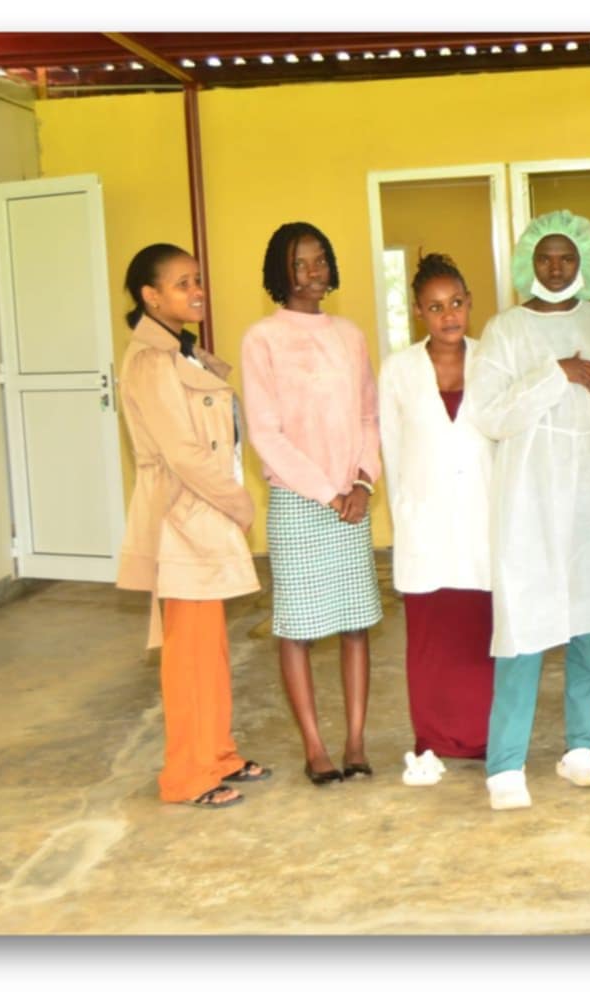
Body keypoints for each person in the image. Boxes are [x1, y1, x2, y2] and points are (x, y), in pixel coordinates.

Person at [466, 209, 590, 811]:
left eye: (567, 258)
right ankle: (505, 765)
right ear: (528, 262)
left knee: (588, 627)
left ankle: (580, 748)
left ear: (585, 263)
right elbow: (489, 413)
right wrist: (556, 374)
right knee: (524, 629)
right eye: (545, 257)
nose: (555, 268)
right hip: (530, 499)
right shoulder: (505, 330)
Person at [115, 243, 271, 809]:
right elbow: (182, 452)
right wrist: (239, 504)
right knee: (188, 658)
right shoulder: (152, 361)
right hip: (183, 517)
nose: (196, 290)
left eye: (197, 279)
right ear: (150, 296)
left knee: (211, 651)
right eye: (182, 283)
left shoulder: (183, 351)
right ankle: (186, 776)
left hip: (204, 514)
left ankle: (217, 755)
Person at [242, 222, 383, 786]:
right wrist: (330, 492)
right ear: (280, 272)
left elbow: (369, 416)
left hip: (352, 501)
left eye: (320, 259)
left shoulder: (349, 335)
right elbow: (265, 433)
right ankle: (315, 747)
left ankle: (355, 741)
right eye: (299, 263)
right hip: (301, 502)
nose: (312, 272)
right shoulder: (262, 339)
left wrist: (364, 483)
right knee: (298, 629)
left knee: (356, 626)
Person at [377, 253, 495, 767]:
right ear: (418, 313)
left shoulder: (492, 360)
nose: (449, 315)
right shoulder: (398, 370)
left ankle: (484, 736)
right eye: (435, 307)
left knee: (479, 635)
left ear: (469, 303)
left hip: (483, 517)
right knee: (431, 638)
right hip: (424, 520)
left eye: (456, 303)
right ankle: (434, 737)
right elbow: (391, 448)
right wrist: (405, 515)